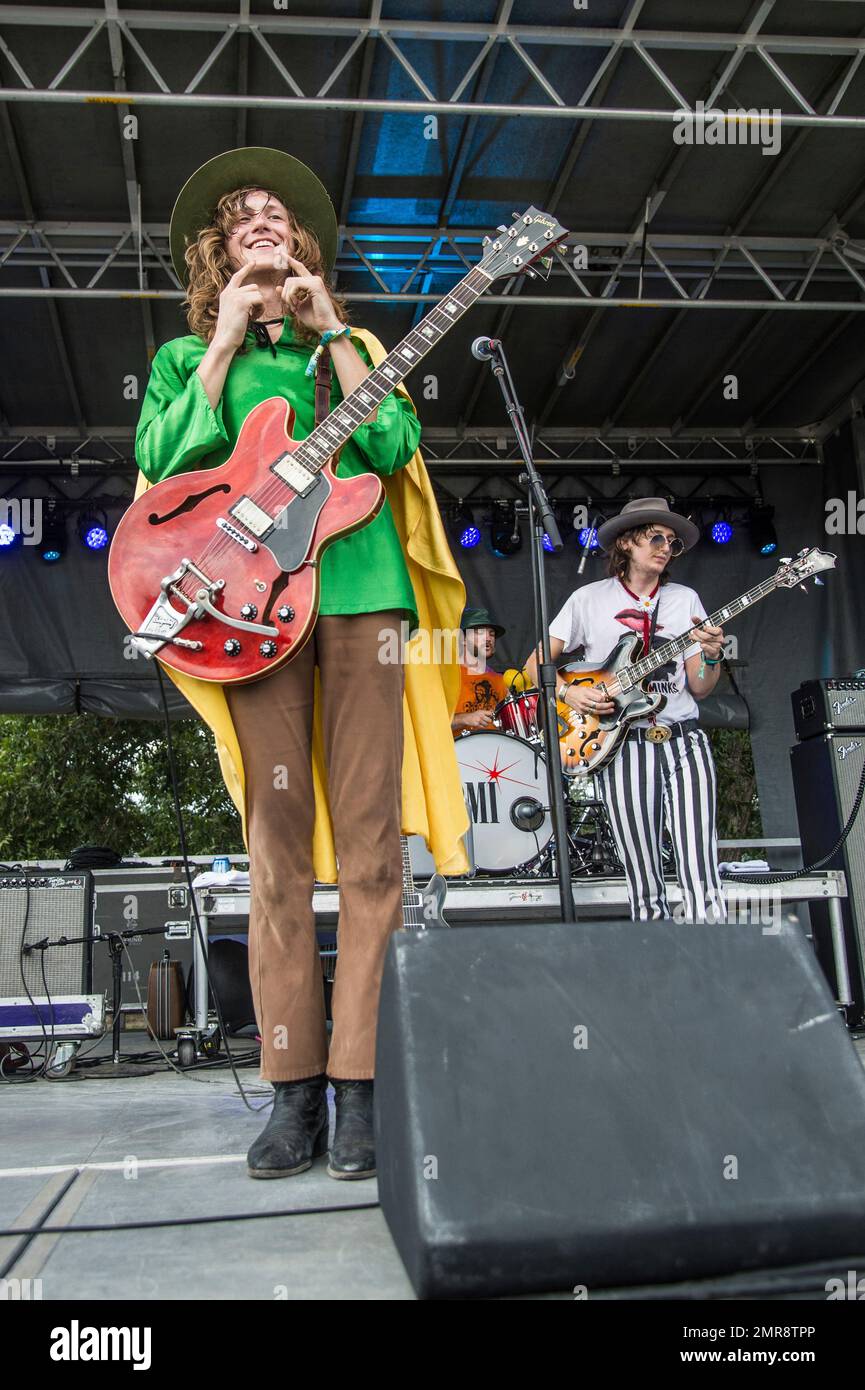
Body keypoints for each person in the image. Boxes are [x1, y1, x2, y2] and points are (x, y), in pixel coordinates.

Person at [132, 147, 468, 1181]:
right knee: (276, 848)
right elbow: (161, 464)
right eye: (242, 221)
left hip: (361, 596)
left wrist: (333, 334)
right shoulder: (190, 357)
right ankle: (291, 1089)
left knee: (371, 850)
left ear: (304, 244)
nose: (263, 225)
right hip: (251, 614)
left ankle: (359, 1089)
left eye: (276, 215)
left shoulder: (351, 340)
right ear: (218, 252)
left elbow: (394, 442)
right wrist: (227, 341)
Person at [525, 498, 727, 923]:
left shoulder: (685, 599)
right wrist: (569, 695)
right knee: (642, 870)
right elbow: (532, 667)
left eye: (672, 541)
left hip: (683, 739)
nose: (665, 547)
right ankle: (654, 967)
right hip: (624, 747)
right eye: (655, 537)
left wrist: (710, 657)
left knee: (700, 862)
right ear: (626, 543)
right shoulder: (588, 600)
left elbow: (701, 687)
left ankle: (714, 961)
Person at [451, 608, 508, 735]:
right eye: (479, 632)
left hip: (499, 750)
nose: (488, 638)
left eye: (491, 633)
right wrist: (464, 718)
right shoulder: (447, 677)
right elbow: (431, 724)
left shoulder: (502, 681)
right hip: (459, 751)